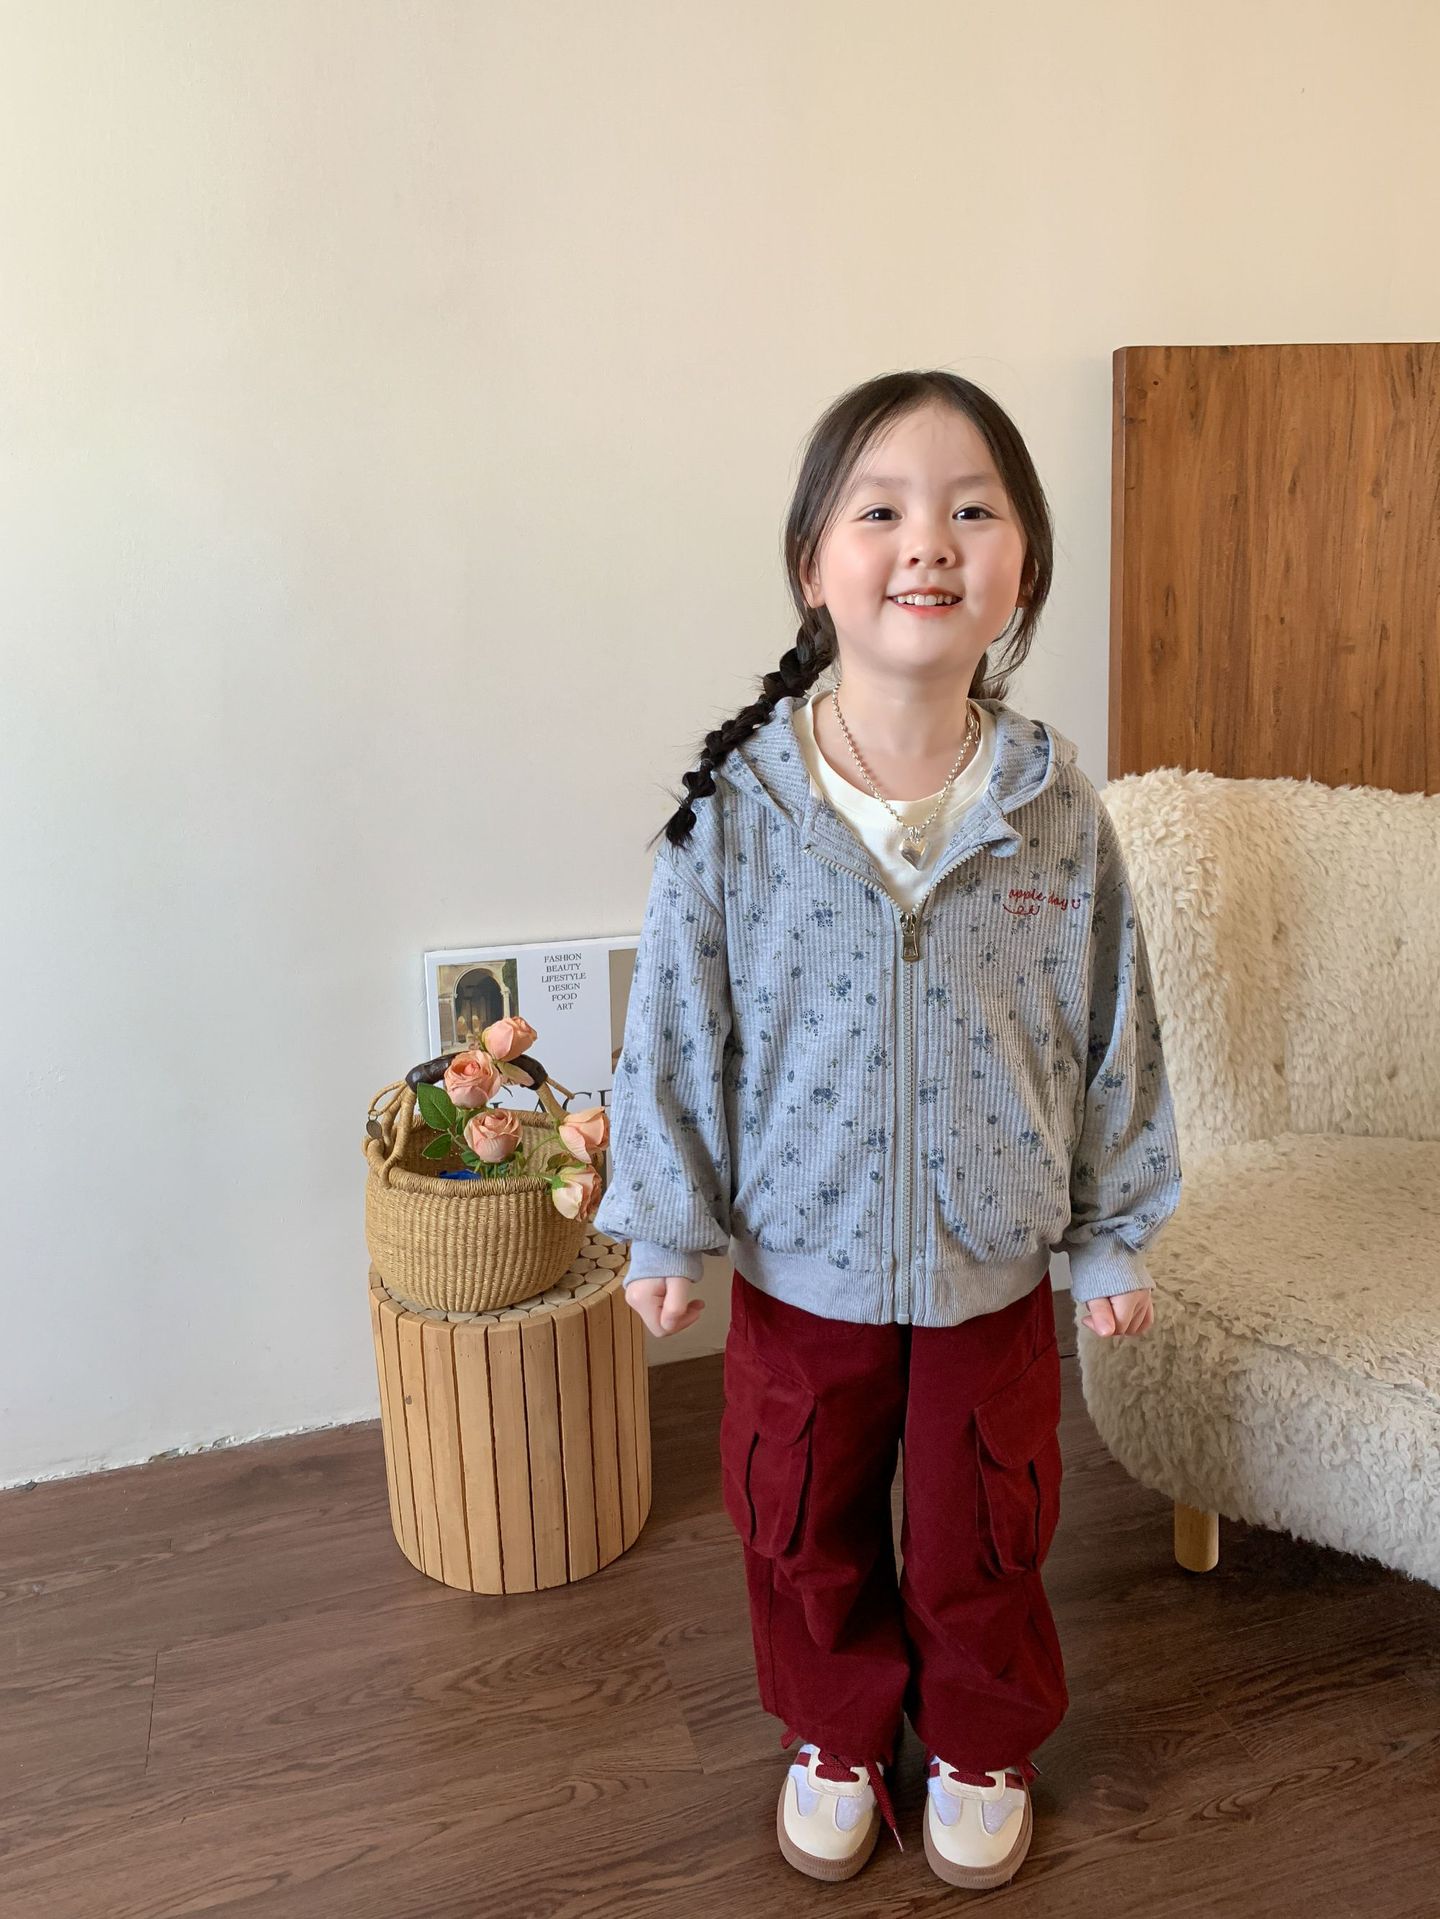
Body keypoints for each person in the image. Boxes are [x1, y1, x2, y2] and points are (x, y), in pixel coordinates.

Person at [592, 368, 1181, 1889]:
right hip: (803, 1262)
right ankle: (836, 1731)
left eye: (972, 509)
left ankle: (983, 1736)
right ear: (814, 566)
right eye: (881, 510)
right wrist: (663, 1221)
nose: (928, 540)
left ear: (1021, 570)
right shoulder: (738, 814)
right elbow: (676, 1033)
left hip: (993, 1266)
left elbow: (1115, 1029)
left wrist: (1114, 1233)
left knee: (986, 1520)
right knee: (802, 1517)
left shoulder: (1056, 811)